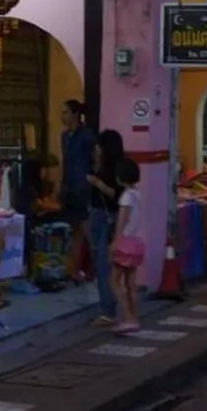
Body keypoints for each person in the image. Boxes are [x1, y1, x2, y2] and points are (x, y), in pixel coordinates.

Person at [86, 130, 127, 325]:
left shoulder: (117, 168)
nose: (96, 149)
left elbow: (117, 195)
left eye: (99, 146)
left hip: (109, 217)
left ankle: (109, 310)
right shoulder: (97, 164)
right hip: (96, 214)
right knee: (99, 261)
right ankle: (111, 306)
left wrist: (98, 183)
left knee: (105, 263)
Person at [59, 100, 95, 282]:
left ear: (75, 115)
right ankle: (74, 271)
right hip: (70, 188)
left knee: (89, 230)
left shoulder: (87, 136)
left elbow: (93, 161)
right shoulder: (64, 137)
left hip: (83, 188)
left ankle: (98, 270)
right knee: (75, 233)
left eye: (66, 112)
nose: (62, 116)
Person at [110, 157, 146, 333]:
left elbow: (121, 222)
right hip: (137, 243)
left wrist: (115, 242)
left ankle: (127, 316)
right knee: (131, 284)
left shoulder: (125, 197)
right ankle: (135, 318)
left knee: (115, 281)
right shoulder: (138, 194)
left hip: (125, 243)